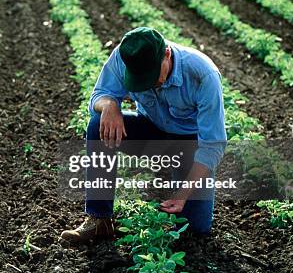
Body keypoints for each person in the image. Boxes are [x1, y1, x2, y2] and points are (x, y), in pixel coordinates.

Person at [61, 27, 226, 244]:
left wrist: (183, 193)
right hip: (151, 132)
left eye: (151, 77)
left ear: (166, 54)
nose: (148, 84)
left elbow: (213, 145)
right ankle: (98, 220)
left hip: (190, 143)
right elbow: (99, 95)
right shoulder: (126, 56)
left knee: (195, 230)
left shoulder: (202, 74)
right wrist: (110, 104)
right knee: (96, 127)